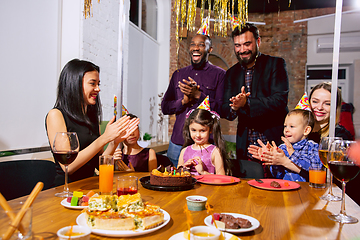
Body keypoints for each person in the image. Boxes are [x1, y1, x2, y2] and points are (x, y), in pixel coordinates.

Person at [46, 59, 139, 186]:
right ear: (75, 84)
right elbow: (69, 166)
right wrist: (104, 138)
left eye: (98, 83)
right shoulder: (56, 115)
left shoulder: (91, 117)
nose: (98, 89)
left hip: (88, 186)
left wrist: (114, 142)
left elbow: (99, 165)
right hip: (66, 189)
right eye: (92, 83)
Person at [221, 23, 289, 176]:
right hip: (245, 146)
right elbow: (224, 109)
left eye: (247, 44)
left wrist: (248, 103)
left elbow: (280, 101)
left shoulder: (275, 64)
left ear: (258, 42)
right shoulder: (231, 73)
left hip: (273, 142)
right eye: (237, 45)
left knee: (276, 189)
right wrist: (234, 106)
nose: (242, 50)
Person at [161, 33, 225, 167]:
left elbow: (222, 109)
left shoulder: (219, 75)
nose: (196, 47)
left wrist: (198, 95)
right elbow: (165, 107)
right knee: (176, 183)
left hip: (206, 146)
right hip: (177, 145)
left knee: (205, 184)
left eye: (201, 44)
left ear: (210, 49)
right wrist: (183, 101)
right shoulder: (178, 74)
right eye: (193, 44)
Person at [248, 109, 322, 182]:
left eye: (292, 126)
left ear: (306, 130)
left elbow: (316, 168)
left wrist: (293, 154)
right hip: (287, 188)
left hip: (306, 190)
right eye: (285, 126)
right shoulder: (282, 148)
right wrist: (272, 161)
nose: (286, 130)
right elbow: (278, 175)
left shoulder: (312, 146)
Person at [177, 109, 231, 175]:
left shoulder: (215, 151)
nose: (198, 135)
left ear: (210, 129)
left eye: (202, 131)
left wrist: (203, 172)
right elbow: (177, 175)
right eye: (193, 130)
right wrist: (184, 169)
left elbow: (221, 178)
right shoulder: (184, 151)